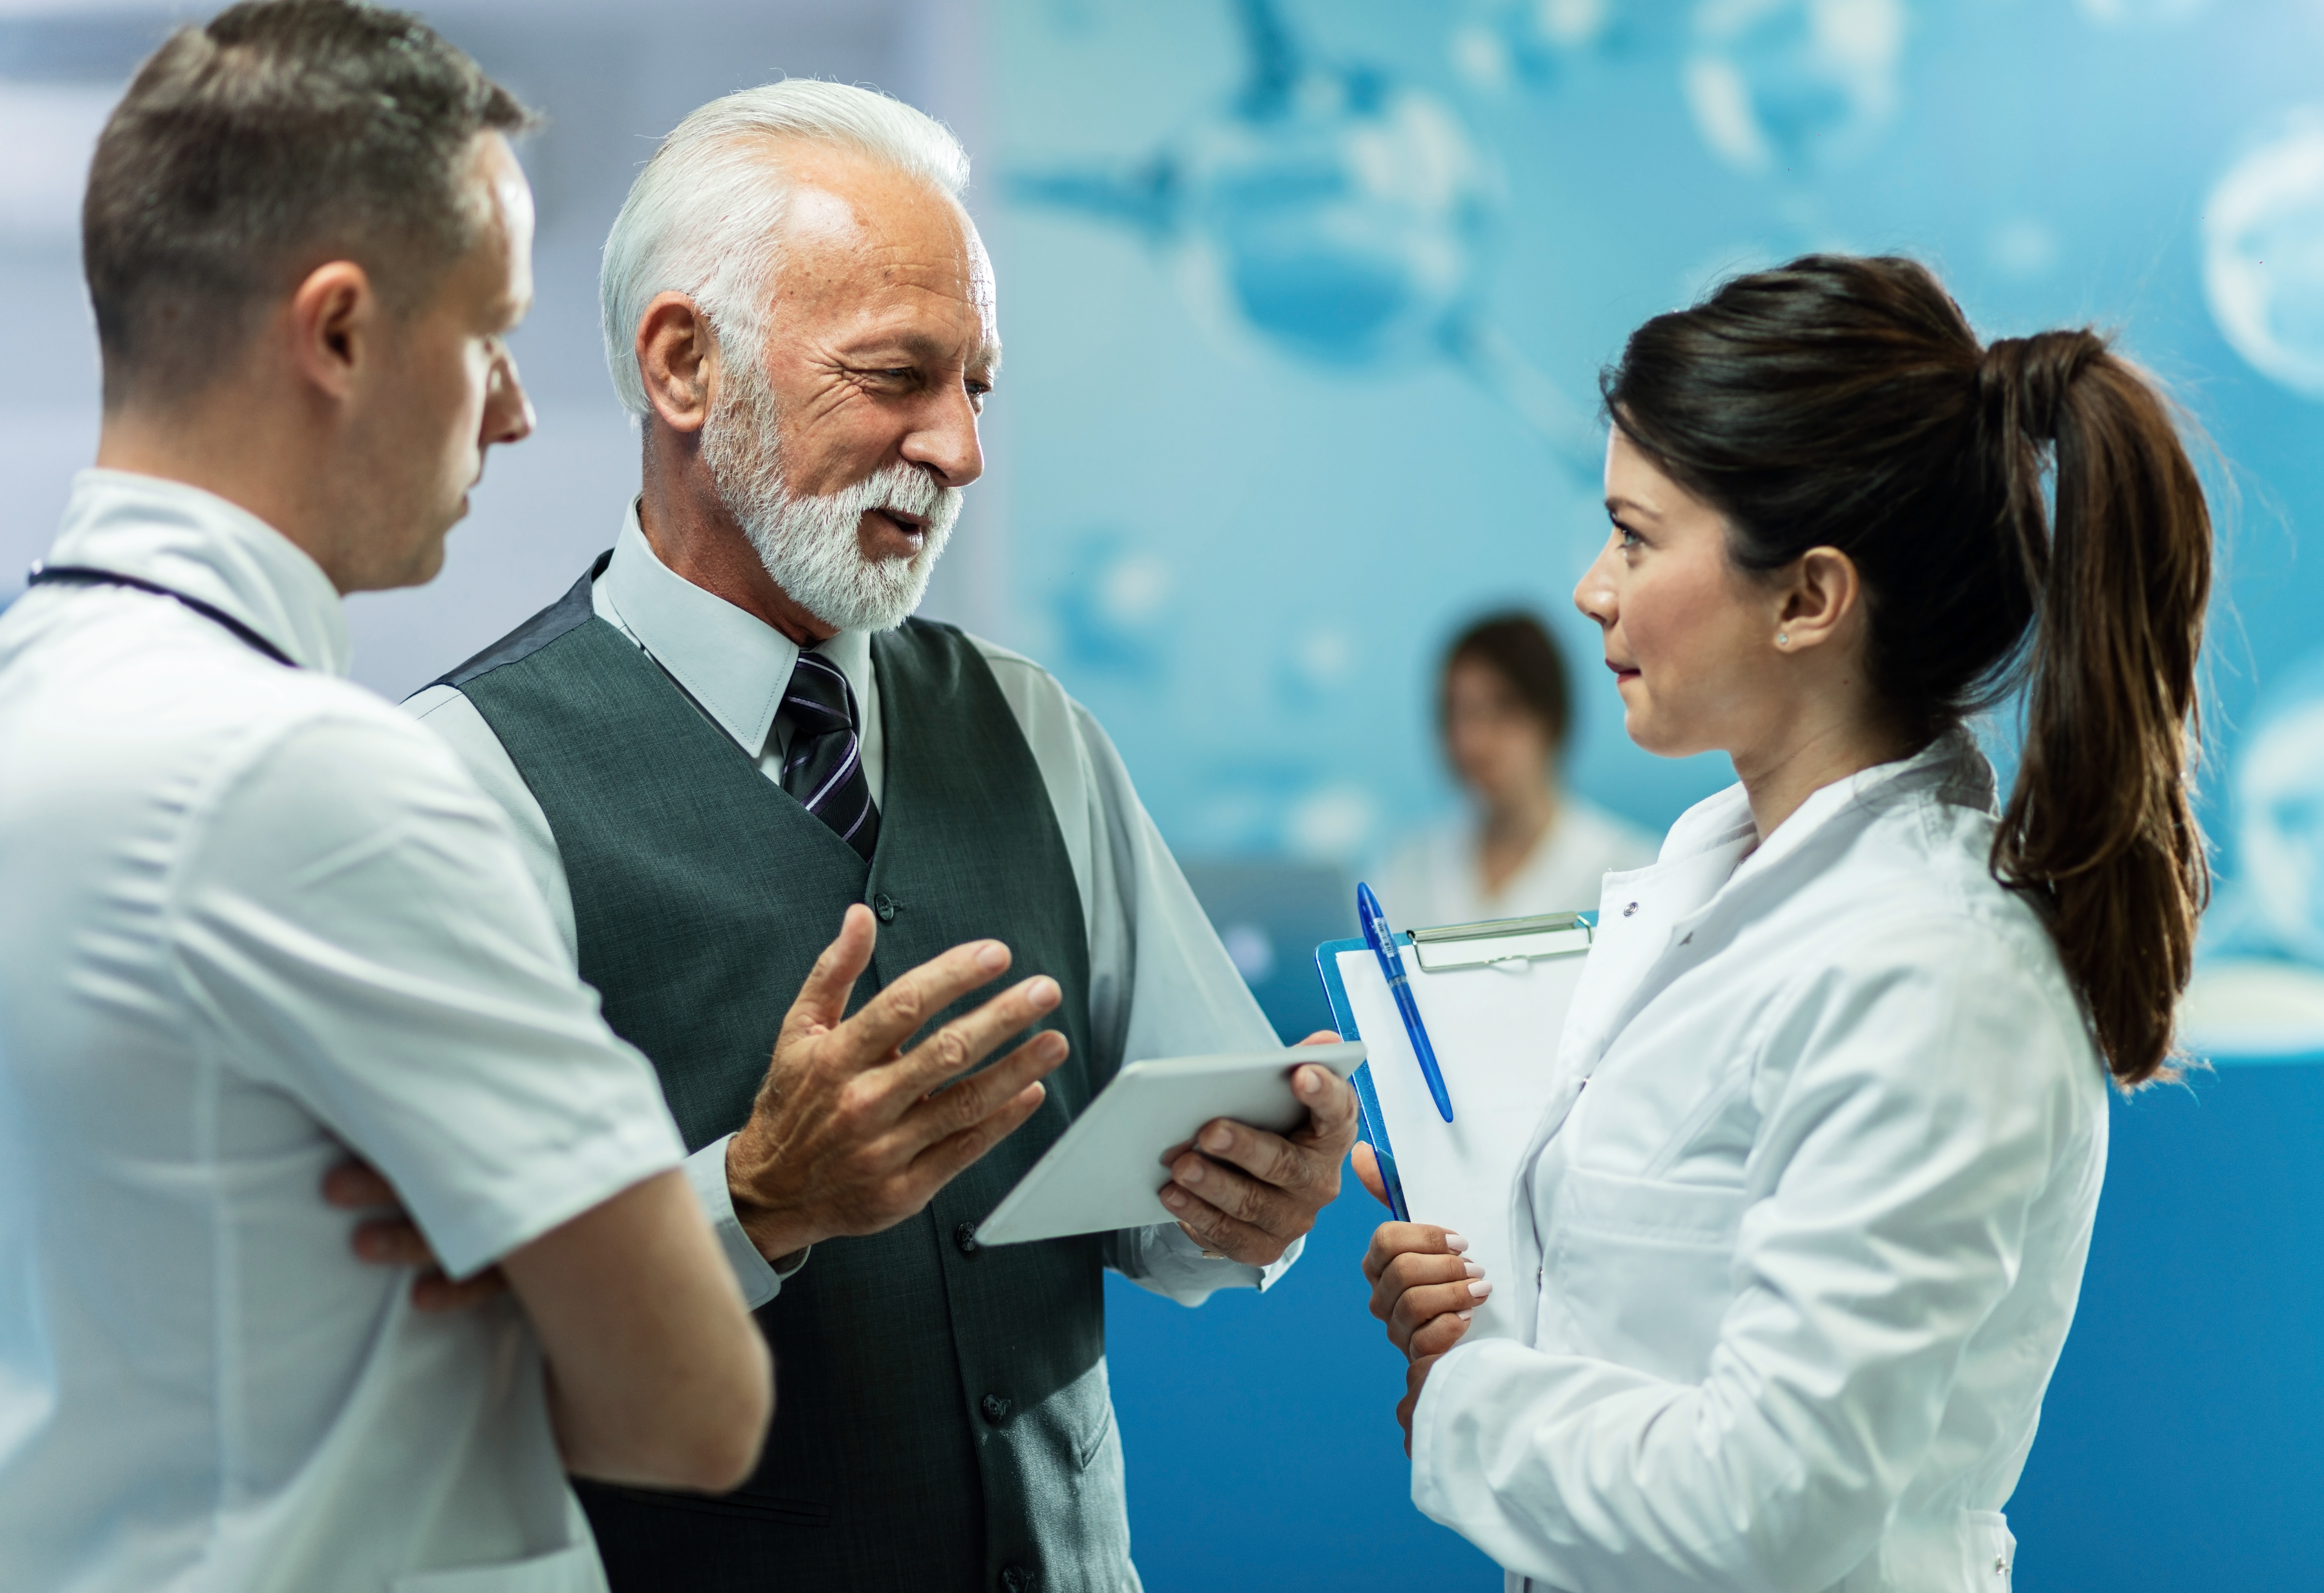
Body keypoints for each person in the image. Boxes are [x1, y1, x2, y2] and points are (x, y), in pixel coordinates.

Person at [0, 7, 1067, 1590]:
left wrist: (420, 1286)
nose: (510, 411)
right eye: (489, 334)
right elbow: (691, 1397)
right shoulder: (335, 788)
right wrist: (519, 1294)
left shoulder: (36, 707)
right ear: (342, 333)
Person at [400, 80, 1358, 1592]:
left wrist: (1255, 1204)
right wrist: (758, 1194)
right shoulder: (455, 784)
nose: (961, 448)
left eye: (980, 385)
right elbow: (422, 1347)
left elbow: (1180, 1213)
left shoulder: (1034, 727)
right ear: (682, 365)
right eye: (902, 375)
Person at [1360, 256, 2213, 1591]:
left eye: (1636, 538)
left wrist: (1474, 1400)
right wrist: (1492, 1291)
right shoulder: (1712, 881)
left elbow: (1773, 1509)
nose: (1593, 588)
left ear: (1810, 598)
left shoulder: (1933, 975)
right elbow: (1670, 1314)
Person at [1373, 611, 1656, 927]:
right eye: (1458, 713)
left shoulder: (1630, 873)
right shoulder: (1407, 871)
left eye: (1502, 709)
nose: (1473, 741)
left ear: (1550, 719)